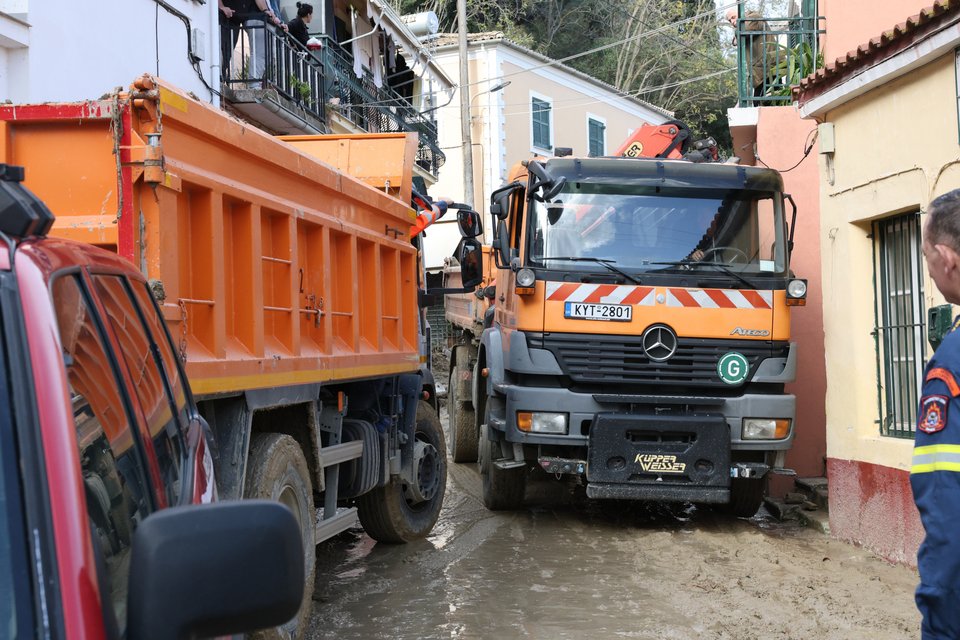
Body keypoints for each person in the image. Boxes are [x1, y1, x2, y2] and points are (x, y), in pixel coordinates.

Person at [913, 188, 960, 639]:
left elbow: (948, 500)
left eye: (927, 257)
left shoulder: (955, 360)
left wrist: (941, 620)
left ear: (947, 259)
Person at [726, 8, 776, 98]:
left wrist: (737, 34)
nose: (732, 22)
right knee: (759, 102)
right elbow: (735, 41)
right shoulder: (746, 24)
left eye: (733, 17)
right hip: (760, 73)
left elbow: (743, 31)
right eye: (730, 21)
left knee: (766, 102)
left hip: (770, 69)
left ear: (742, 13)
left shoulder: (754, 17)